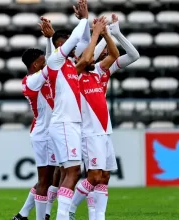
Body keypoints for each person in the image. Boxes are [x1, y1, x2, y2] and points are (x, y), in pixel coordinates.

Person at [69, 13, 140, 220]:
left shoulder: (99, 71)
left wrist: (111, 32)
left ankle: (99, 217)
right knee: (93, 177)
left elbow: (118, 53)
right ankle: (70, 210)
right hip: (89, 133)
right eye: (88, 57)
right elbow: (89, 56)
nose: (93, 58)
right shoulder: (74, 75)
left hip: (104, 131)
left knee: (105, 177)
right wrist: (97, 32)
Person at [45, 0, 91, 219]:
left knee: (70, 171)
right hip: (64, 123)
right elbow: (75, 39)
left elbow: (84, 43)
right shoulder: (55, 60)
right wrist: (83, 20)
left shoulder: (71, 64)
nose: (72, 49)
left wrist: (87, 23)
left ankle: (62, 215)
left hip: (70, 123)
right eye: (66, 46)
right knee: (73, 171)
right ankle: (62, 216)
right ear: (58, 46)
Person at [13, 16, 57, 220]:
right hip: (43, 134)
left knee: (51, 178)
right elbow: (54, 63)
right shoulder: (31, 81)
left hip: (52, 132)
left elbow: (51, 62)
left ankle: (23, 215)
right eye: (41, 61)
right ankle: (40, 217)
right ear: (34, 65)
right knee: (45, 180)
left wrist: (49, 41)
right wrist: (51, 39)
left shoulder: (41, 76)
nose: (45, 63)